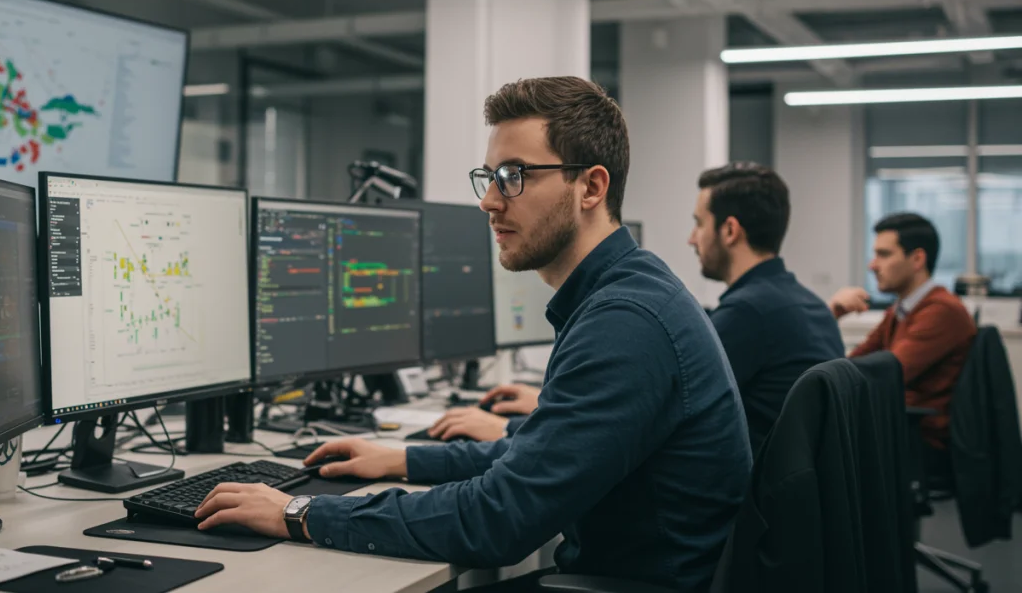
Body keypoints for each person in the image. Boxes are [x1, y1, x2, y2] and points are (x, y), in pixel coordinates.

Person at [192, 76, 752, 592]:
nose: (489, 200)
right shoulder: (627, 293)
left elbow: (498, 520)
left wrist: (300, 513)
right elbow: (536, 456)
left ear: (590, 187)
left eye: (514, 176)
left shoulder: (626, 322)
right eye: (490, 177)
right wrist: (404, 459)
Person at [688, 163, 845, 452]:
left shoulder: (747, 313)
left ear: (730, 230)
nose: (691, 239)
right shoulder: (807, 302)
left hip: (754, 489)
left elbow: (677, 404)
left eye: (699, 224)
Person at [830, 212, 976, 465]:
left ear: (917, 258)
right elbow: (855, 364)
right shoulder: (901, 310)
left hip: (919, 442)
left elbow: (882, 374)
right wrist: (831, 315)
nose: (872, 265)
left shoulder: (941, 310)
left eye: (884, 254)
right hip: (895, 431)